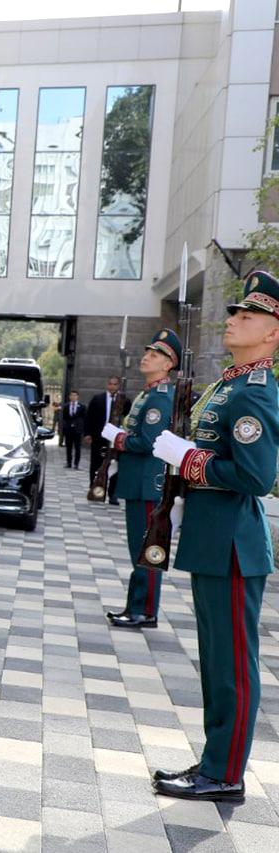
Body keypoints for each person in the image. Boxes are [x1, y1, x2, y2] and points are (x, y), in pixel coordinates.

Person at [149, 271, 279, 802]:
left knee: (233, 668)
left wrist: (191, 459)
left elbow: (257, 477)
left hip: (232, 546)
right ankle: (213, 761)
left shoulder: (254, 392)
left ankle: (224, 774)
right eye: (234, 313)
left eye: (247, 316)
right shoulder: (226, 385)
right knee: (215, 662)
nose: (233, 320)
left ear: (273, 333)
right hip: (211, 539)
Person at [102, 330, 180, 630]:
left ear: (168, 365)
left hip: (148, 484)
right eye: (148, 352)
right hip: (139, 482)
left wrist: (119, 438)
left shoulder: (159, 398)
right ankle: (138, 606)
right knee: (139, 547)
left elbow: (148, 441)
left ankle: (144, 610)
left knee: (146, 548)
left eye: (156, 355)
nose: (147, 357)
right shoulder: (149, 393)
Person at [86, 376, 128, 504]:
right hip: (99, 438)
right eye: (110, 384)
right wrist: (87, 434)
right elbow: (89, 417)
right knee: (96, 464)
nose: (112, 387)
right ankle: (96, 490)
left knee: (115, 466)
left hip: (116, 439)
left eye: (115, 384)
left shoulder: (125, 401)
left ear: (118, 386)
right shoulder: (97, 399)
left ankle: (113, 494)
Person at [61, 391, 86, 468]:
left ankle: (76, 463)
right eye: (72, 395)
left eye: (75, 395)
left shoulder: (82, 407)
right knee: (69, 447)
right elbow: (64, 418)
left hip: (77, 430)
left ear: (77, 397)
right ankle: (69, 462)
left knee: (77, 447)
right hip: (68, 430)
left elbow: (84, 418)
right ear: (69, 397)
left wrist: (82, 428)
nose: (73, 397)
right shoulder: (66, 406)